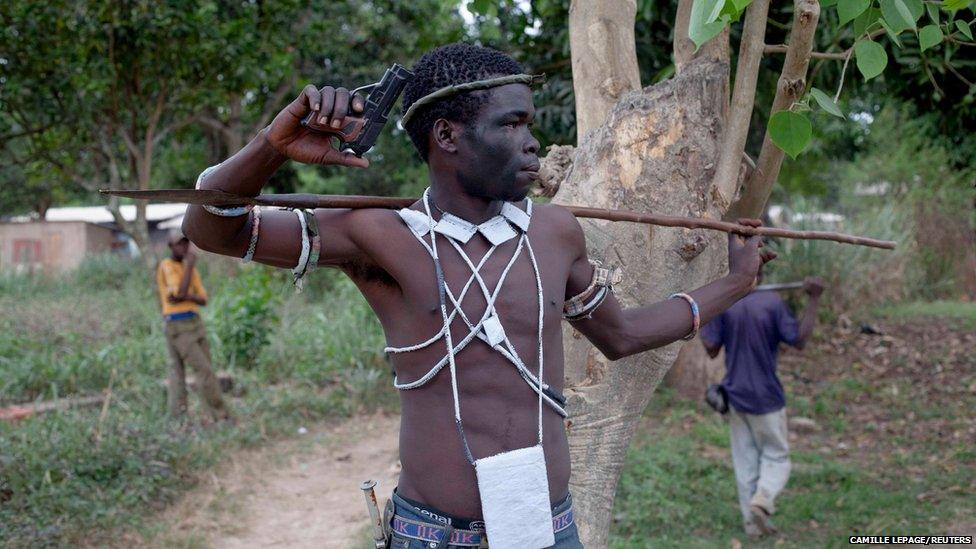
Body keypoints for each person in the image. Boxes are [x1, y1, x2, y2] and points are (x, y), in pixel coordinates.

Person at [183, 43, 774, 548]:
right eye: (512, 124)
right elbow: (214, 228)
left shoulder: (554, 232)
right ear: (447, 135)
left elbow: (621, 335)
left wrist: (735, 282)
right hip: (432, 535)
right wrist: (275, 145)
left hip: (547, 526)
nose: (532, 144)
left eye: (530, 125)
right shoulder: (376, 235)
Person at [701, 273, 825, 538]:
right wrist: (814, 300)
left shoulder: (726, 305)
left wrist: (703, 308)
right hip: (767, 398)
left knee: (745, 461)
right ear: (763, 270)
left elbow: (711, 347)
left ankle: (751, 526)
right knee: (777, 457)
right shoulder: (771, 303)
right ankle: (764, 498)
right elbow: (799, 340)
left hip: (735, 396)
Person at [156, 232, 231, 423]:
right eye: (179, 245)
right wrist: (189, 268)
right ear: (170, 247)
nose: (184, 248)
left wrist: (185, 296)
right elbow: (179, 292)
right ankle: (219, 416)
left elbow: (202, 299)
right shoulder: (168, 266)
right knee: (202, 370)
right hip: (177, 324)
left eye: (186, 244)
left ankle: (189, 416)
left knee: (201, 370)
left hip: (195, 322)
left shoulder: (191, 270)